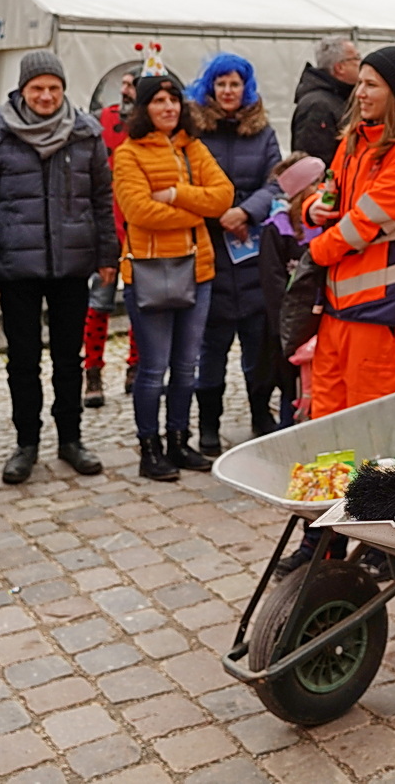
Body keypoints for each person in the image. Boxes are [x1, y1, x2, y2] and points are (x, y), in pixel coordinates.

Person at [0, 50, 114, 486]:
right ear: (22, 90)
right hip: (17, 266)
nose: (46, 96)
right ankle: (26, 442)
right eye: (38, 88)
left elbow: (102, 200)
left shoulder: (86, 133)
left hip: (72, 263)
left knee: (68, 357)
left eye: (54, 88)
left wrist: (108, 254)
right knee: (23, 359)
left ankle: (71, 439)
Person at [113, 73, 234, 480]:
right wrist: (196, 211)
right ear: (144, 107)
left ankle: (179, 440)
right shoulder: (129, 154)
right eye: (159, 100)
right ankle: (150, 448)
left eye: (173, 100)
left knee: (186, 365)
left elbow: (223, 196)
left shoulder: (191, 147)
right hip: (150, 270)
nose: (168, 108)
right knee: (153, 367)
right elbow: (139, 212)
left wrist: (176, 194)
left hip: (197, 270)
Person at [303, 46, 395, 417]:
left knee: (369, 425)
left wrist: (314, 253)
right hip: (337, 305)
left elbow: (364, 222)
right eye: (359, 82)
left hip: (382, 310)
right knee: (325, 420)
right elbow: (329, 190)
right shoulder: (354, 140)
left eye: (371, 84)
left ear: (394, 91)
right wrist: (311, 208)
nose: (359, 92)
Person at [186, 53, 283, 451]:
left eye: (235, 83)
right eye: (221, 83)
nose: (228, 91)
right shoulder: (193, 132)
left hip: (253, 251)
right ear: (210, 87)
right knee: (211, 344)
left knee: (257, 341)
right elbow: (186, 180)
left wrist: (246, 210)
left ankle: (262, 411)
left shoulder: (262, 133)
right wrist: (217, 210)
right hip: (209, 250)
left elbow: (277, 183)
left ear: (247, 88)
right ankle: (208, 422)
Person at [83, 65, 142, 408]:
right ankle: (93, 370)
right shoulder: (100, 121)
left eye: (133, 86)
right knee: (99, 304)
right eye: (124, 85)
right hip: (106, 226)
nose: (126, 91)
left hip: (140, 227)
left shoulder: (154, 126)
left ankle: (136, 367)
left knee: (139, 304)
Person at [258, 153, 326, 428]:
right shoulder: (277, 230)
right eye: (319, 182)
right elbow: (273, 285)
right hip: (290, 328)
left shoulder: (327, 225)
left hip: (322, 322)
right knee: (292, 390)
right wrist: (289, 329)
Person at [290, 35, 360, 164]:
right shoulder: (317, 106)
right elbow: (313, 164)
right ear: (340, 68)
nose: (361, 64)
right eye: (356, 58)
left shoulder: (343, 97)